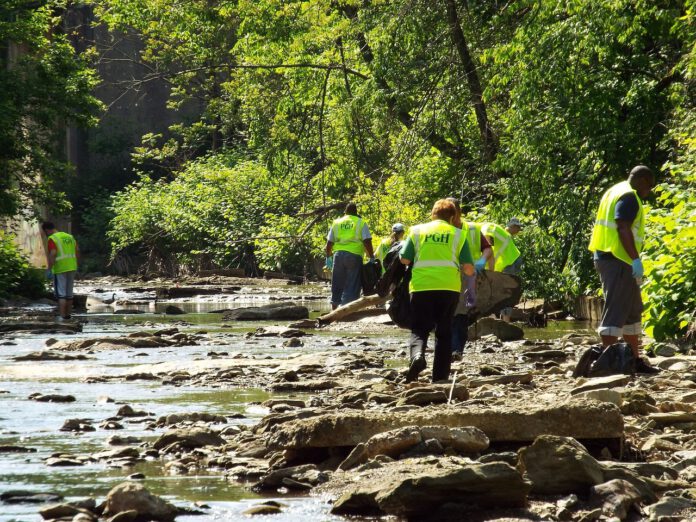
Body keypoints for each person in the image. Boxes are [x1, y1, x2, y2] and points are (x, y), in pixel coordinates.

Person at [589, 165, 657, 373]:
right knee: (616, 309)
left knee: (632, 310)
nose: (648, 192)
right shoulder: (628, 197)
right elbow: (622, 227)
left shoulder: (614, 190)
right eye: (650, 187)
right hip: (617, 258)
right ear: (644, 180)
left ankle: (633, 360)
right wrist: (635, 259)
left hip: (614, 258)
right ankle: (607, 363)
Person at [399, 199, 474, 382]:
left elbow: (404, 260)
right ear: (452, 216)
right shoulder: (458, 234)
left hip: (421, 286)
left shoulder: (416, 231)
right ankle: (440, 377)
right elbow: (469, 268)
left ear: (433, 214)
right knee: (444, 332)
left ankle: (417, 357)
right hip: (448, 288)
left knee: (419, 329)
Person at [325, 202, 375, 310]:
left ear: (345, 212)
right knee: (352, 284)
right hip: (354, 255)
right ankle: (348, 310)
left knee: (337, 282)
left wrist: (328, 256)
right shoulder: (361, 223)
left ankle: (334, 308)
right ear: (356, 212)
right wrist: (371, 256)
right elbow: (367, 241)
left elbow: (329, 242)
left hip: (338, 255)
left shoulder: (336, 222)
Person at [482, 218, 523, 322]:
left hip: (510, 263)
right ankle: (501, 318)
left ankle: (504, 320)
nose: (518, 230)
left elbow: (489, 251)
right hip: (510, 262)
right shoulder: (499, 232)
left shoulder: (499, 233)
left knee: (505, 291)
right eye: (517, 228)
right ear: (512, 226)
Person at [41, 222, 78, 320]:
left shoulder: (52, 238)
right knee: (69, 294)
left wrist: (49, 268)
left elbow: (53, 253)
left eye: (45, 233)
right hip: (72, 267)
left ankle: (62, 316)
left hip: (60, 268)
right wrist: (75, 264)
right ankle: (68, 315)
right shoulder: (69, 237)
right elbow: (77, 250)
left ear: (47, 230)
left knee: (61, 294)